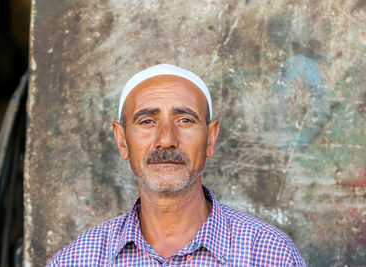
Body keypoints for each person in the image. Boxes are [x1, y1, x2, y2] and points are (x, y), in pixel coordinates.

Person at [47, 64, 306, 266]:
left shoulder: (270, 255)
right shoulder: (77, 260)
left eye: (185, 120)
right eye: (147, 121)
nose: (166, 140)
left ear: (211, 138)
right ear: (121, 140)